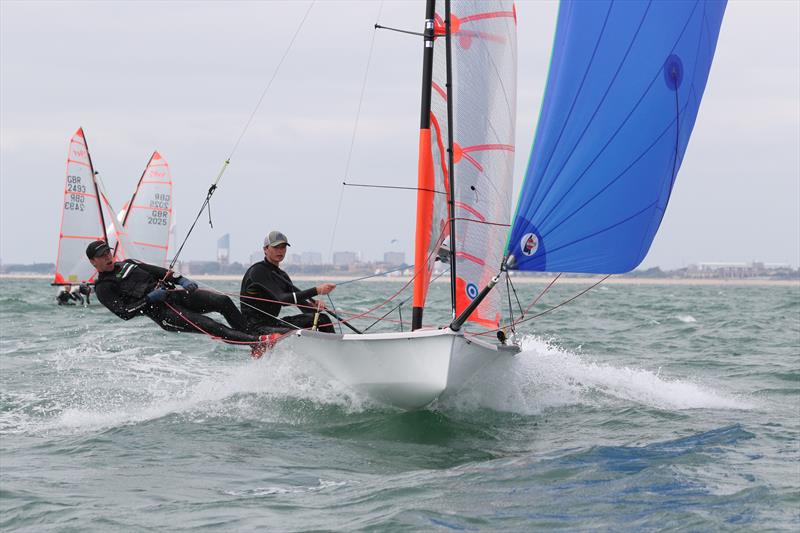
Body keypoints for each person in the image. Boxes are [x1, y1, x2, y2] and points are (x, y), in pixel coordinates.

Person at [86, 240, 268, 354]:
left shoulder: (129, 263)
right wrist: (150, 299)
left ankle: (255, 339)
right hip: (164, 314)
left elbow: (160, 271)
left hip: (174, 296)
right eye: (101, 256)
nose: (107, 257)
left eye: (108, 252)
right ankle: (257, 342)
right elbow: (124, 313)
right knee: (212, 326)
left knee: (223, 301)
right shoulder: (103, 287)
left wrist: (182, 280)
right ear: (93, 262)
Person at [240, 231, 337, 334]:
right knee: (293, 332)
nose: (280, 251)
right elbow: (282, 299)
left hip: (273, 323)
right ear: (265, 249)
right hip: (255, 328)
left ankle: (335, 346)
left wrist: (313, 307)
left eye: (283, 247)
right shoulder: (257, 271)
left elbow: (300, 303)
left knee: (321, 319)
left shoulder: (282, 275)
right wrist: (317, 290)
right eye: (276, 247)